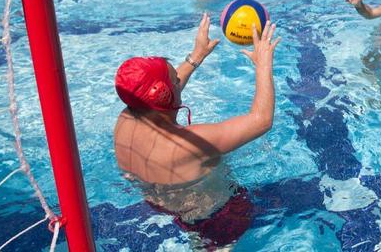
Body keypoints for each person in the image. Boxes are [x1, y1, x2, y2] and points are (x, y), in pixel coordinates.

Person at [114, 15, 279, 243]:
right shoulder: (190, 143)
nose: (179, 78)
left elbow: (162, 94)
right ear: (164, 95)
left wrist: (197, 56)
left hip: (172, 206)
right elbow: (262, 121)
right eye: (175, 79)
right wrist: (263, 64)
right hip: (218, 216)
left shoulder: (126, 120)